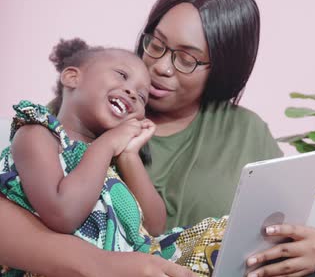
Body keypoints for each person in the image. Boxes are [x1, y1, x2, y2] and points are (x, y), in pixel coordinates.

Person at [0, 0, 315, 277]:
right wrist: (105, 265)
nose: (159, 67)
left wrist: (307, 254)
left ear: (222, 70)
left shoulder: (246, 133)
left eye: (186, 59)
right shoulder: (82, 118)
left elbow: (157, 226)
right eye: (156, 44)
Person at [1, 39, 230, 276]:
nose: (132, 93)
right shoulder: (37, 134)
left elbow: (153, 226)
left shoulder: (112, 163)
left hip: (135, 264)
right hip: (56, 268)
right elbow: (62, 214)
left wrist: (129, 155)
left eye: (142, 98)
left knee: (224, 233)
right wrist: (108, 144)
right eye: (121, 75)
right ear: (72, 77)